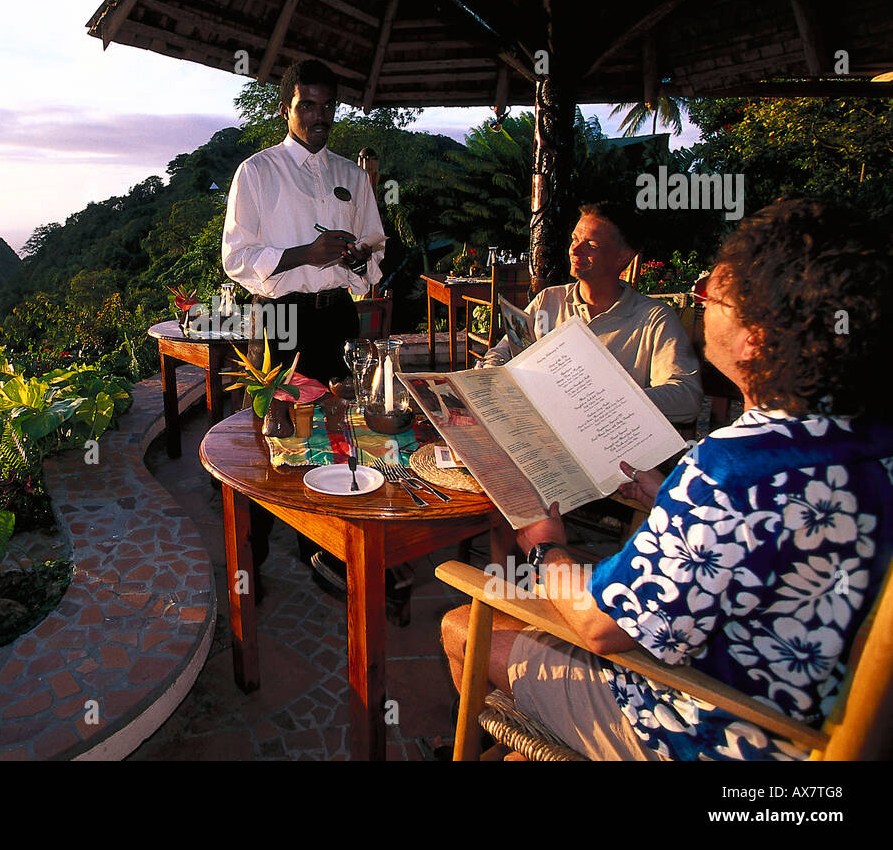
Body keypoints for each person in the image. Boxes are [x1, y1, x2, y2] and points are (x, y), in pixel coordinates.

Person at [441, 197, 893, 760]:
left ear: (755, 338)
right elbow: (752, 550)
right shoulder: (861, 449)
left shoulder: (731, 472)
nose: (700, 304)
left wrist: (545, 547)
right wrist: (669, 499)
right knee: (522, 609)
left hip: (700, 728)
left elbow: (601, 627)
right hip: (781, 704)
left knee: (464, 623)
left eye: (710, 295)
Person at [221, 59, 395, 603]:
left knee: (337, 429)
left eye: (327, 106)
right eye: (307, 105)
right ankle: (255, 558)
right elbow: (236, 257)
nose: (319, 116)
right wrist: (303, 253)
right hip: (280, 319)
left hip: (337, 315)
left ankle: (324, 549)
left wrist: (356, 255)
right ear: (286, 108)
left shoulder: (350, 174)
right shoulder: (258, 171)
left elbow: (377, 246)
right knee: (274, 435)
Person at [483, 201, 702, 426]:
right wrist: (488, 378)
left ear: (622, 257)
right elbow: (503, 352)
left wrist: (605, 401)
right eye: (575, 239)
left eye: (591, 245)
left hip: (612, 447)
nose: (575, 250)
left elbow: (686, 397)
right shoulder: (549, 301)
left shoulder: (653, 319)